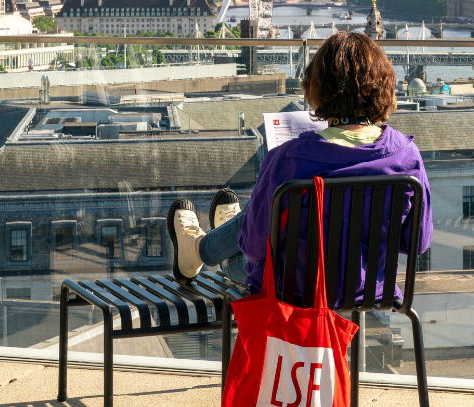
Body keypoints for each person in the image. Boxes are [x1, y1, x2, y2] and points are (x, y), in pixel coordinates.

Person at [167, 30, 432, 305]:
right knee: (264, 219)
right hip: (371, 291)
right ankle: (211, 240)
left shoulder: (289, 159)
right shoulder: (406, 156)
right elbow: (417, 242)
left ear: (318, 87)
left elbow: (255, 249)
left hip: (291, 293)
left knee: (251, 238)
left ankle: (199, 249)